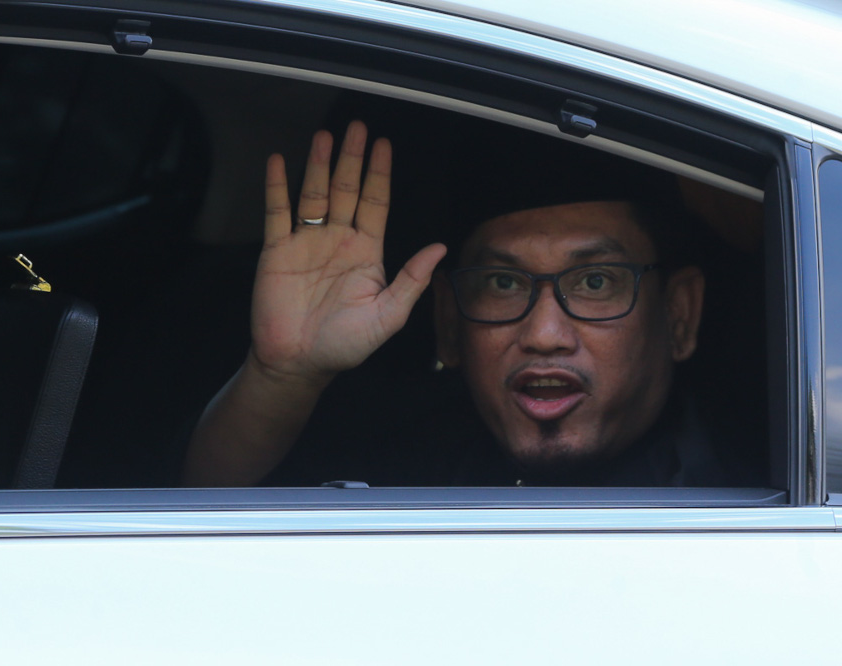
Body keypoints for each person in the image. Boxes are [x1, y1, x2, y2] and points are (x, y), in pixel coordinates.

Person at [180, 119, 719, 488]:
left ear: (678, 315)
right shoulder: (402, 449)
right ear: (448, 322)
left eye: (596, 283)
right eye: (504, 283)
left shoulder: (749, 509)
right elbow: (195, 522)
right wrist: (283, 376)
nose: (545, 333)